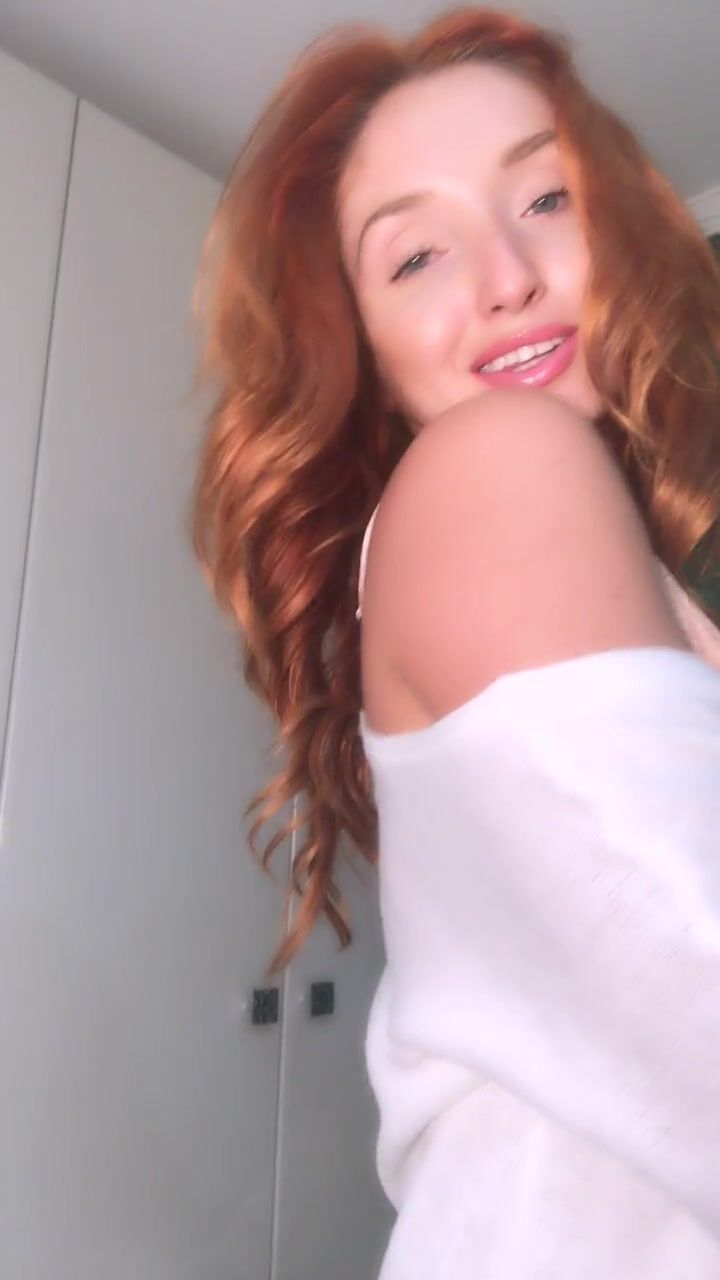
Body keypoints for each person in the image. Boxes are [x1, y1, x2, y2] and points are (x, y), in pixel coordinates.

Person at [192, 7, 720, 1275]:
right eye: (416, 255)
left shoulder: (632, 563)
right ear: (364, 353)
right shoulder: (496, 456)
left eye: (546, 198)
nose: (506, 275)